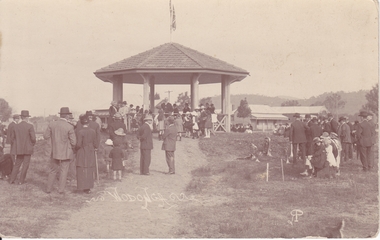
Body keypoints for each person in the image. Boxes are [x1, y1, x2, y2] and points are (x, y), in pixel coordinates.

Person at [44, 107, 77, 194]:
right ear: (67, 116)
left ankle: (48, 189)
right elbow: (74, 142)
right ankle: (61, 190)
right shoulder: (69, 127)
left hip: (54, 151)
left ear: (60, 115)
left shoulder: (52, 124)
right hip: (66, 152)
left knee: (53, 170)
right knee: (64, 171)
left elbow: (45, 136)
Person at [9, 110, 36, 185]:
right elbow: (33, 138)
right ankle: (21, 181)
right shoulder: (30, 126)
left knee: (17, 164)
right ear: (27, 118)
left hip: (19, 149)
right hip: (28, 149)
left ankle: (11, 180)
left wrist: (17, 144)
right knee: (25, 165)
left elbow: (12, 138)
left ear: (21, 117)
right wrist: (32, 144)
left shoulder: (16, 126)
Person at [75, 115, 98, 194]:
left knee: (81, 168)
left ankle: (81, 186)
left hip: (82, 151)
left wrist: (75, 149)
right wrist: (95, 147)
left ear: (81, 123)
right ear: (88, 123)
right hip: (90, 151)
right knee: (89, 168)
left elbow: (78, 144)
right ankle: (88, 188)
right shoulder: (93, 131)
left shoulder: (80, 132)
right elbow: (95, 143)